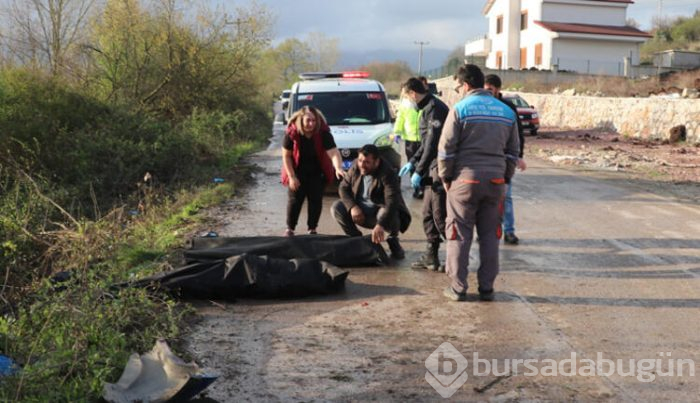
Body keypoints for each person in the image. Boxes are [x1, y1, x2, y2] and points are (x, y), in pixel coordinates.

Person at [437, 64, 519, 302]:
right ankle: (486, 288)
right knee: (490, 236)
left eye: (457, 87)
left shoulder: (460, 109)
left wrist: (446, 177)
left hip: (464, 179)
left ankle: (458, 287)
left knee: (459, 234)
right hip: (495, 181)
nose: (458, 92)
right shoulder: (506, 112)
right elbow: (513, 151)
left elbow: (446, 150)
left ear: (465, 85)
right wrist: (505, 177)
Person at [398, 77, 450, 272]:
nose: (405, 101)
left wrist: (418, 170)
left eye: (405, 96)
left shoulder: (434, 109)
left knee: (440, 215)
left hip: (439, 167)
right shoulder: (425, 109)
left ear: (413, 93)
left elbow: (433, 144)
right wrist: (412, 161)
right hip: (430, 166)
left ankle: (456, 255)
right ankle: (431, 256)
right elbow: (424, 143)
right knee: (428, 213)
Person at [331, 144, 411, 259]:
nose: (362, 165)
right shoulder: (356, 166)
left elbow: (392, 201)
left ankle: (393, 241)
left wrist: (381, 225)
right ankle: (357, 240)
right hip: (359, 213)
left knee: (388, 211)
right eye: (360, 161)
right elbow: (343, 188)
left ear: (376, 162)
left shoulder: (387, 173)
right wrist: (353, 207)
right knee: (336, 207)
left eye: (367, 162)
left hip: (380, 215)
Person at [281, 106, 344, 236]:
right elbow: (286, 156)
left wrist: (338, 168)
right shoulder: (292, 133)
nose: (311, 124)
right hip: (296, 171)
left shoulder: (323, 133)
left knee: (315, 200)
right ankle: (290, 228)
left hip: (316, 171)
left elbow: (334, 153)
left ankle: (312, 228)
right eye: (308, 120)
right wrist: (292, 177)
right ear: (300, 120)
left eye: (314, 121)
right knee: (295, 201)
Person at [484, 74, 527, 245]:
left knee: (506, 197)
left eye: (490, 90)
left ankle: (509, 232)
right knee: (486, 199)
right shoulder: (482, 106)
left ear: (498, 89)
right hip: (485, 159)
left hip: (503, 160)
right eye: (485, 89)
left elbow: (518, 135)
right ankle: (487, 230)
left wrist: (519, 156)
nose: (487, 93)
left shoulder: (508, 108)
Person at [393, 87, 422, 198]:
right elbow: (400, 118)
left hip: (422, 139)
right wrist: (397, 132)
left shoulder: (422, 103)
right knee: (412, 164)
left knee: (424, 164)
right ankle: (416, 188)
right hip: (410, 139)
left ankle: (424, 186)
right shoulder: (405, 104)